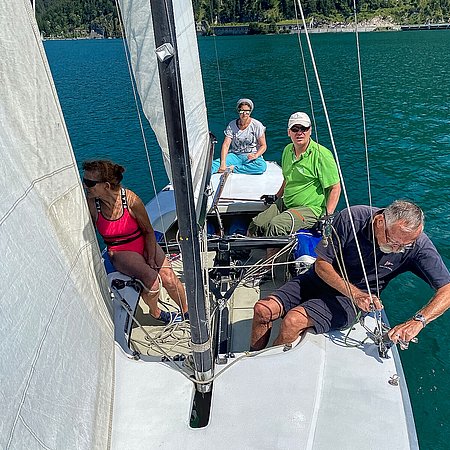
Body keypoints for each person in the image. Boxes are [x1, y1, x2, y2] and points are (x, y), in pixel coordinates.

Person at [250, 200, 450, 350]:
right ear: (380, 222)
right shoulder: (352, 218)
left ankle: (269, 367)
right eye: (394, 241)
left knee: (293, 321)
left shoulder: (416, 245)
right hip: (323, 280)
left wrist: (418, 321)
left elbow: (447, 289)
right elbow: (321, 265)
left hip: (352, 302)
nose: (398, 249)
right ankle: (254, 357)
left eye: (405, 245)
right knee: (262, 310)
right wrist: (356, 293)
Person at [82, 160, 189, 324]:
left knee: (169, 278)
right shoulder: (91, 204)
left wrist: (152, 257)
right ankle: (156, 313)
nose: (85, 186)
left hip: (142, 240)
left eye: (89, 183)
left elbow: (148, 231)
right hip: (119, 250)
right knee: (152, 281)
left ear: (106, 186)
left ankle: (186, 312)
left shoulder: (131, 200)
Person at [247, 112, 341, 237]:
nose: (299, 132)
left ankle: (272, 256)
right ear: (289, 132)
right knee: (256, 224)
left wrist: (327, 217)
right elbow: (287, 178)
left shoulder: (321, 155)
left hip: (310, 208)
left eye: (304, 129)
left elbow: (335, 187)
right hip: (286, 202)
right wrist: (276, 196)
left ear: (310, 131)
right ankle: (244, 252)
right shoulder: (287, 150)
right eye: (295, 129)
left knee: (277, 225)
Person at [211, 98, 267, 175]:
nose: (244, 114)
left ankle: (234, 168)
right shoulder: (232, 125)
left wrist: (256, 155)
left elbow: (263, 145)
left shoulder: (257, 125)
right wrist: (223, 163)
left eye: (247, 111)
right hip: (235, 155)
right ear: (238, 111)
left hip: (251, 155)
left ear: (250, 112)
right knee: (214, 165)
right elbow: (226, 145)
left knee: (261, 167)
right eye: (242, 111)